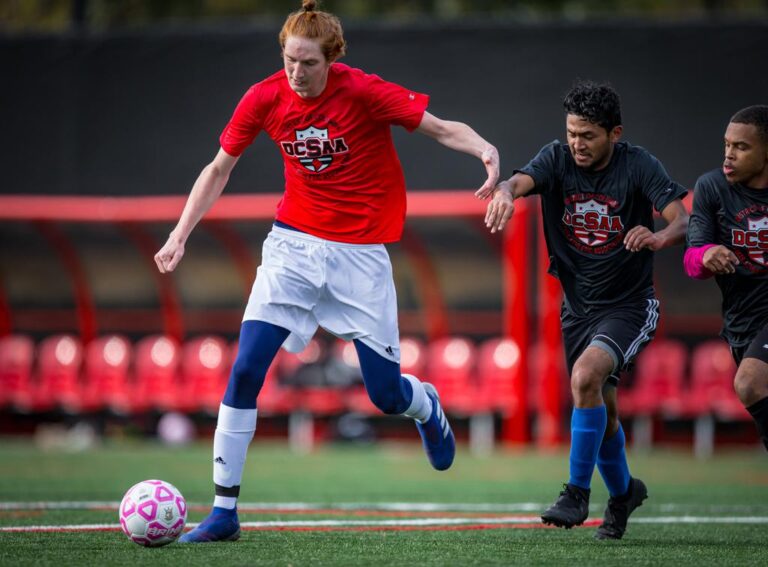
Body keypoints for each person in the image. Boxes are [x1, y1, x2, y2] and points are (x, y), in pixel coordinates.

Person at [154, 0, 499, 543]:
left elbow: (437, 128)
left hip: (360, 256)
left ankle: (425, 404)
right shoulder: (264, 97)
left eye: (308, 62)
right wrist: (179, 234)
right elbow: (218, 168)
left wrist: (484, 149)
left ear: (331, 60)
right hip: (292, 246)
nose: (296, 72)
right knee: (246, 369)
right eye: (290, 59)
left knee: (384, 396)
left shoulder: (362, 91)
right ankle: (223, 512)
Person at [485, 80, 689, 540]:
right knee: (603, 411)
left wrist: (657, 237)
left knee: (584, 378)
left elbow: (684, 218)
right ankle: (624, 494)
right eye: (572, 132)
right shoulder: (557, 158)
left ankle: (577, 493)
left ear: (614, 133)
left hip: (630, 305)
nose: (577, 143)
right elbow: (520, 180)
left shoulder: (638, 165)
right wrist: (504, 194)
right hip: (578, 310)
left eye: (588, 135)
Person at [684, 105, 768, 453]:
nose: (729, 155)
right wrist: (705, 255)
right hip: (741, 321)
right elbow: (691, 260)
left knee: (749, 383)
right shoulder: (712, 187)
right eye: (726, 145)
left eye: (742, 147)